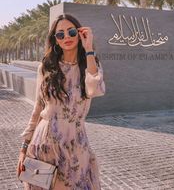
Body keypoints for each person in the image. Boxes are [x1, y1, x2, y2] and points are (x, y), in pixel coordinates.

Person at [16, 13, 106, 189]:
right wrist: (23, 148)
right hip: (44, 145)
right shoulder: (46, 67)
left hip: (76, 146)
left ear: (80, 34)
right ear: (55, 40)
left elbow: (95, 90)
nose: (66, 37)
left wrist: (88, 49)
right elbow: (38, 108)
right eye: (60, 34)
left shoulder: (90, 65)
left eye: (71, 32)